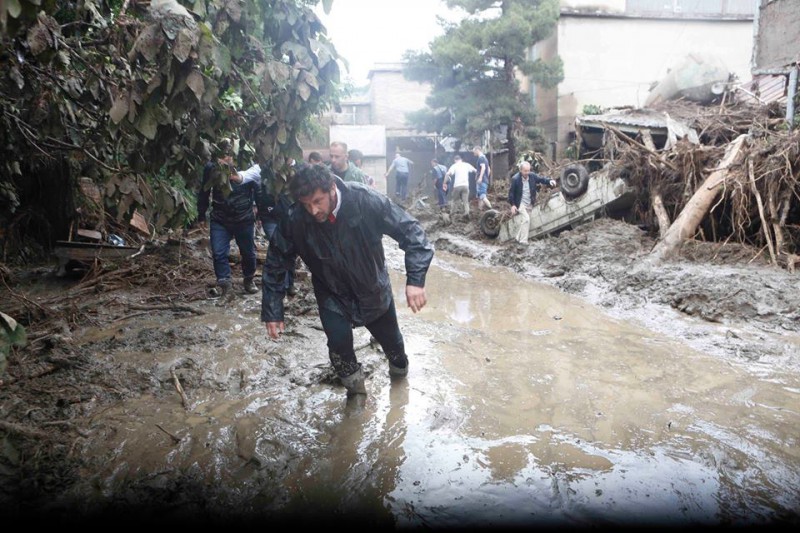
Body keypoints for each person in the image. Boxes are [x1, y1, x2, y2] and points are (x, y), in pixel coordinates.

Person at [261, 163, 434, 396]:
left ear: (332, 188)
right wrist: (273, 309)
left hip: (372, 289)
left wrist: (415, 280)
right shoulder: (296, 218)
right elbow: (276, 261)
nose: (313, 211)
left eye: (318, 201)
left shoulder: (365, 201)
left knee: (394, 347)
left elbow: (413, 233)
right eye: (306, 204)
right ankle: (356, 395)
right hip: (331, 294)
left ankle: (399, 384)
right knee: (339, 349)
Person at [196, 139, 261, 299]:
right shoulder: (211, 169)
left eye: (228, 156)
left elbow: (257, 190)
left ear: (235, 156)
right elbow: (204, 192)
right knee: (218, 253)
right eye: (221, 156)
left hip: (244, 217)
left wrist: (259, 214)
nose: (224, 160)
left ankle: (248, 279)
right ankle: (225, 286)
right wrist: (201, 215)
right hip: (220, 217)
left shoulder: (247, 167)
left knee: (248, 253)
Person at [257, 163, 297, 297]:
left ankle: (289, 283)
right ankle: (282, 287)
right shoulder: (266, 172)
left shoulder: (295, 172)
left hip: (290, 218)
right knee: (280, 248)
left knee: (290, 251)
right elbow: (258, 192)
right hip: (270, 218)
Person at [507, 161, 557, 244]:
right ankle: (523, 241)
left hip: (530, 202)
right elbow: (511, 193)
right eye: (525, 171)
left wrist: (549, 181)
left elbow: (541, 179)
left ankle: (517, 238)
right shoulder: (515, 179)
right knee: (526, 219)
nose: (527, 173)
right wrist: (513, 205)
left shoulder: (532, 176)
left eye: (528, 170)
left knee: (525, 221)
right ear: (521, 170)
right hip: (520, 203)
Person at [445, 154, 476, 219]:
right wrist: (478, 178)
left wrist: (444, 182)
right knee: (465, 201)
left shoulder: (454, 166)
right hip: (465, 185)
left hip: (457, 186)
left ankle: (452, 214)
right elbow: (475, 170)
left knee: (454, 200)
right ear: (461, 160)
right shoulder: (466, 164)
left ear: (455, 160)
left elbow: (448, 174)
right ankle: (467, 212)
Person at [472, 146, 492, 211]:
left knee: (482, 196)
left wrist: (481, 178)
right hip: (484, 180)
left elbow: (483, 168)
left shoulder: (481, 158)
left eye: (474, 151)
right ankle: (480, 210)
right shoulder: (485, 158)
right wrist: (486, 177)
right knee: (480, 196)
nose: (473, 153)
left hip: (481, 181)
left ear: (477, 150)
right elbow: (489, 169)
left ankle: (492, 209)